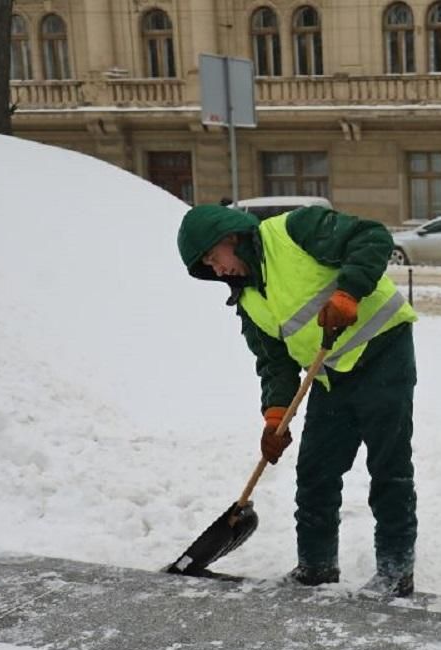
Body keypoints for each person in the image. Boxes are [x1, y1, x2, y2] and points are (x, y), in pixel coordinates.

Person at [176, 203, 419, 595]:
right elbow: (275, 364)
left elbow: (371, 237)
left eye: (213, 257)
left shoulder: (293, 230)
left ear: (231, 238)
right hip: (329, 377)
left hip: (382, 354)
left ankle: (395, 572)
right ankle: (316, 567)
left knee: (388, 468)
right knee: (315, 474)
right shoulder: (248, 297)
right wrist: (275, 418)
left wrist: (349, 292)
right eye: (207, 265)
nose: (217, 270)